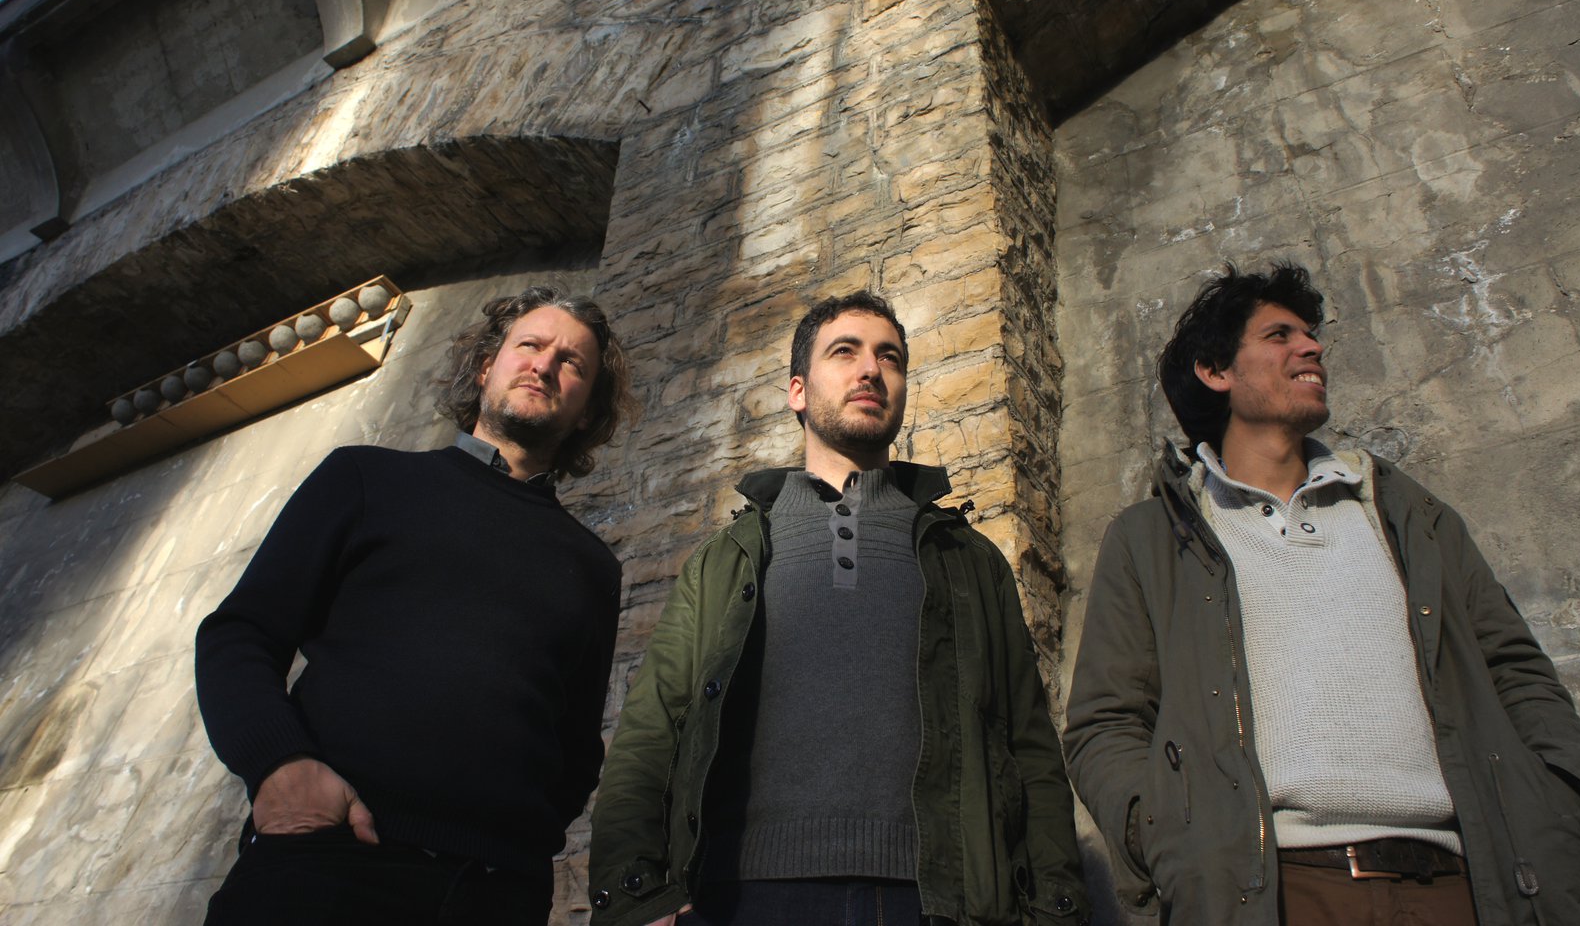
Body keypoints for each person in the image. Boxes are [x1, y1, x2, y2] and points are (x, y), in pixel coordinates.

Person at [1064, 262, 1580, 925]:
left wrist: (1558, 802)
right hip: (1270, 896)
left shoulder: (1410, 517)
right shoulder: (1153, 538)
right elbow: (1107, 722)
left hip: (1469, 888)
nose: (1312, 347)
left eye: (1310, 334)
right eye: (1279, 336)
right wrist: (1170, 842)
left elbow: (1516, 672)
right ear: (1215, 371)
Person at [587, 291, 1087, 926]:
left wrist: (1056, 908)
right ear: (798, 391)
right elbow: (651, 729)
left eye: (889, 357)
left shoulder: (968, 559)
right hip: (742, 898)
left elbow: (1029, 742)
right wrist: (633, 895)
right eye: (845, 352)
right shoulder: (724, 560)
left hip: (937, 901)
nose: (871, 369)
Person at [195, 284, 637, 924]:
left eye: (572, 363)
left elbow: (576, 745)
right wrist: (279, 766)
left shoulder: (593, 567)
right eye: (530, 346)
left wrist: (523, 847)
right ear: (486, 366)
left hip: (493, 893)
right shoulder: (366, 479)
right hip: (327, 857)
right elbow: (241, 634)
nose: (544, 365)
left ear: (588, 410)